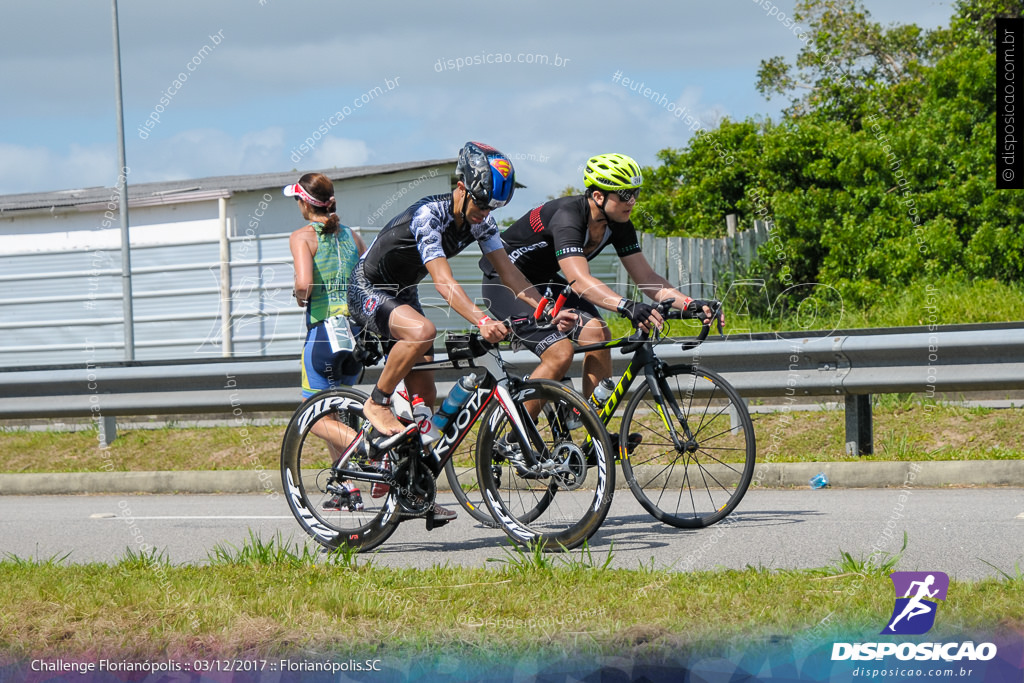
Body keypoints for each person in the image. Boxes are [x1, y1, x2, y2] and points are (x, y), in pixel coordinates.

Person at [347, 143, 558, 520]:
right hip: (368, 288)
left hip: (403, 292)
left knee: (425, 405)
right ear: (460, 187)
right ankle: (375, 403)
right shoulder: (430, 215)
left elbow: (509, 274)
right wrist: (482, 320)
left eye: (493, 206)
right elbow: (444, 282)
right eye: (480, 201)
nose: (484, 212)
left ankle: (410, 484)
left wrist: (545, 308)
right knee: (423, 331)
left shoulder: (483, 220)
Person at [479, 153, 723, 407]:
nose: (633, 201)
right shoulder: (568, 216)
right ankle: (514, 441)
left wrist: (689, 303)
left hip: (543, 280)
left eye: (636, 193)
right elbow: (578, 280)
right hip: (505, 282)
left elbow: (647, 277)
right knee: (559, 355)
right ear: (598, 196)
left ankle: (593, 431)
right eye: (625, 195)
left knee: (597, 332)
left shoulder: (618, 222)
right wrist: (626, 305)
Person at [287, 172, 368, 510]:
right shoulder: (354, 236)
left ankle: (374, 451)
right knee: (335, 412)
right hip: (356, 333)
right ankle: (346, 487)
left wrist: (297, 291)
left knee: (314, 416)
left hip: (323, 333)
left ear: (306, 203)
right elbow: (368, 278)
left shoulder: (302, 237)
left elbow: (304, 285)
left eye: (297, 199)